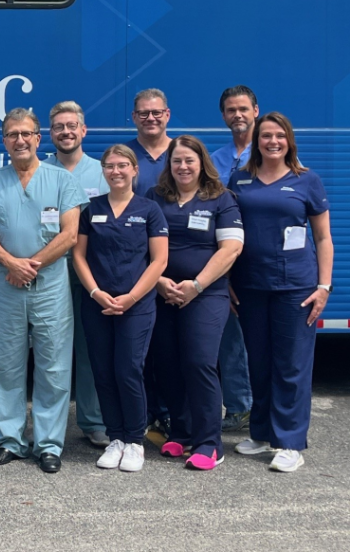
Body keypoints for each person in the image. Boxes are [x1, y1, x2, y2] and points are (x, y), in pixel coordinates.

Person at [0, 108, 85, 474]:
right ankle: (11, 440)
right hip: (7, 284)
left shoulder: (61, 180)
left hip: (49, 284)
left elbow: (69, 234)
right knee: (5, 363)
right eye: (11, 134)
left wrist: (29, 265)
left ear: (39, 138)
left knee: (52, 364)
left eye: (26, 134)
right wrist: (11, 263)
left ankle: (49, 444)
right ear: (4, 141)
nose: (19, 140)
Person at [229, 112, 333, 473]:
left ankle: (289, 442)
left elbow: (322, 237)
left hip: (295, 288)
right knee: (258, 361)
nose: (272, 141)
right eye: (266, 136)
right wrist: (226, 280)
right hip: (249, 285)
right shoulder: (239, 180)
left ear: (289, 141)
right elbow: (228, 232)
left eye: (279, 136)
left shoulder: (307, 181)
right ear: (256, 141)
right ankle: (261, 433)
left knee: (291, 365)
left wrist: (323, 286)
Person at [148, 136, 244, 470]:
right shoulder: (156, 198)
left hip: (206, 294)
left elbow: (230, 248)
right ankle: (184, 433)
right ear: (169, 165)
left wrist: (197, 284)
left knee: (200, 362)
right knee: (169, 364)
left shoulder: (221, 199)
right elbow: (140, 244)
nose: (183, 166)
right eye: (177, 161)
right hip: (162, 293)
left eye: (189, 160)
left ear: (202, 162)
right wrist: (158, 282)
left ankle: (209, 443)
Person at [72, 144, 168, 473]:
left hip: (136, 305)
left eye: (122, 165)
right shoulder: (92, 209)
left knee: (128, 369)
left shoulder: (149, 210)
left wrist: (131, 297)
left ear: (134, 170)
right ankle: (115, 438)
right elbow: (79, 256)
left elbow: (159, 261)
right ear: (103, 171)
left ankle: (135, 441)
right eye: (110, 166)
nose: (116, 171)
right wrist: (96, 292)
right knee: (103, 371)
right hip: (97, 303)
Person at [43, 101, 111, 448]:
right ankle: (46, 425)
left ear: (83, 131)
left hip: (92, 276)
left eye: (72, 126)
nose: (66, 132)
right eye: (58, 127)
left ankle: (92, 419)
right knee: (50, 351)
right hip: (51, 273)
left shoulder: (103, 172)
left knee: (90, 347)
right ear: (50, 134)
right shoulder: (40, 172)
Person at [211, 85, 259, 432]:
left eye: (243, 108)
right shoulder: (215, 160)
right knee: (229, 336)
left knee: (265, 336)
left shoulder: (275, 150)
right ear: (224, 116)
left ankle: (267, 410)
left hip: (262, 259)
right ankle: (240, 406)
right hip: (226, 259)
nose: (237, 115)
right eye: (231, 110)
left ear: (255, 110)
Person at [126, 88, 173, 435]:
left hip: (178, 261)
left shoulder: (182, 153)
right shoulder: (127, 156)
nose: (150, 118)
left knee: (172, 344)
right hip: (134, 264)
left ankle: (171, 411)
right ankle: (145, 412)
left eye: (156, 112)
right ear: (134, 118)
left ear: (167, 114)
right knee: (140, 346)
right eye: (143, 113)